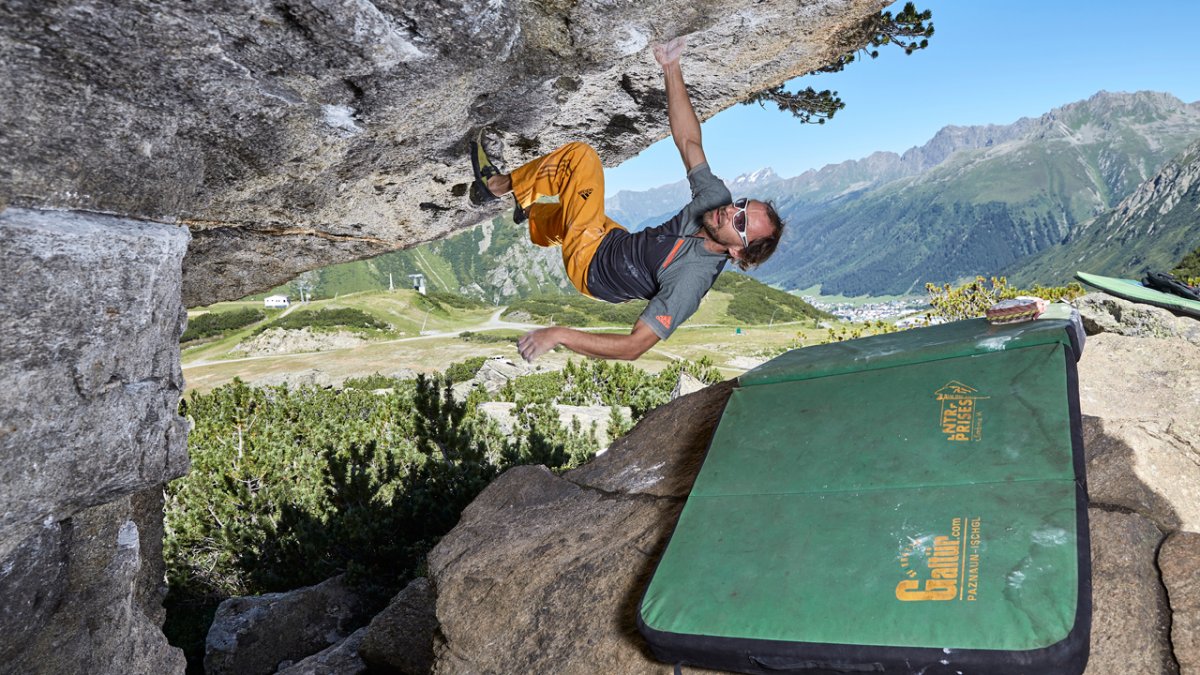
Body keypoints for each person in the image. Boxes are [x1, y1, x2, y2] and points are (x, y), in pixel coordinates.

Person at [469, 37, 785, 362]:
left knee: (581, 159)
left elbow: (634, 347)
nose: (732, 209)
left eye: (742, 222)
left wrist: (560, 334)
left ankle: (493, 186)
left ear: (737, 250)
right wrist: (671, 65)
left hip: (593, 268)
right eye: (743, 204)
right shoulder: (716, 200)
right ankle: (534, 216)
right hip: (615, 239)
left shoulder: (691, 281)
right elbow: (689, 141)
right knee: (576, 210)